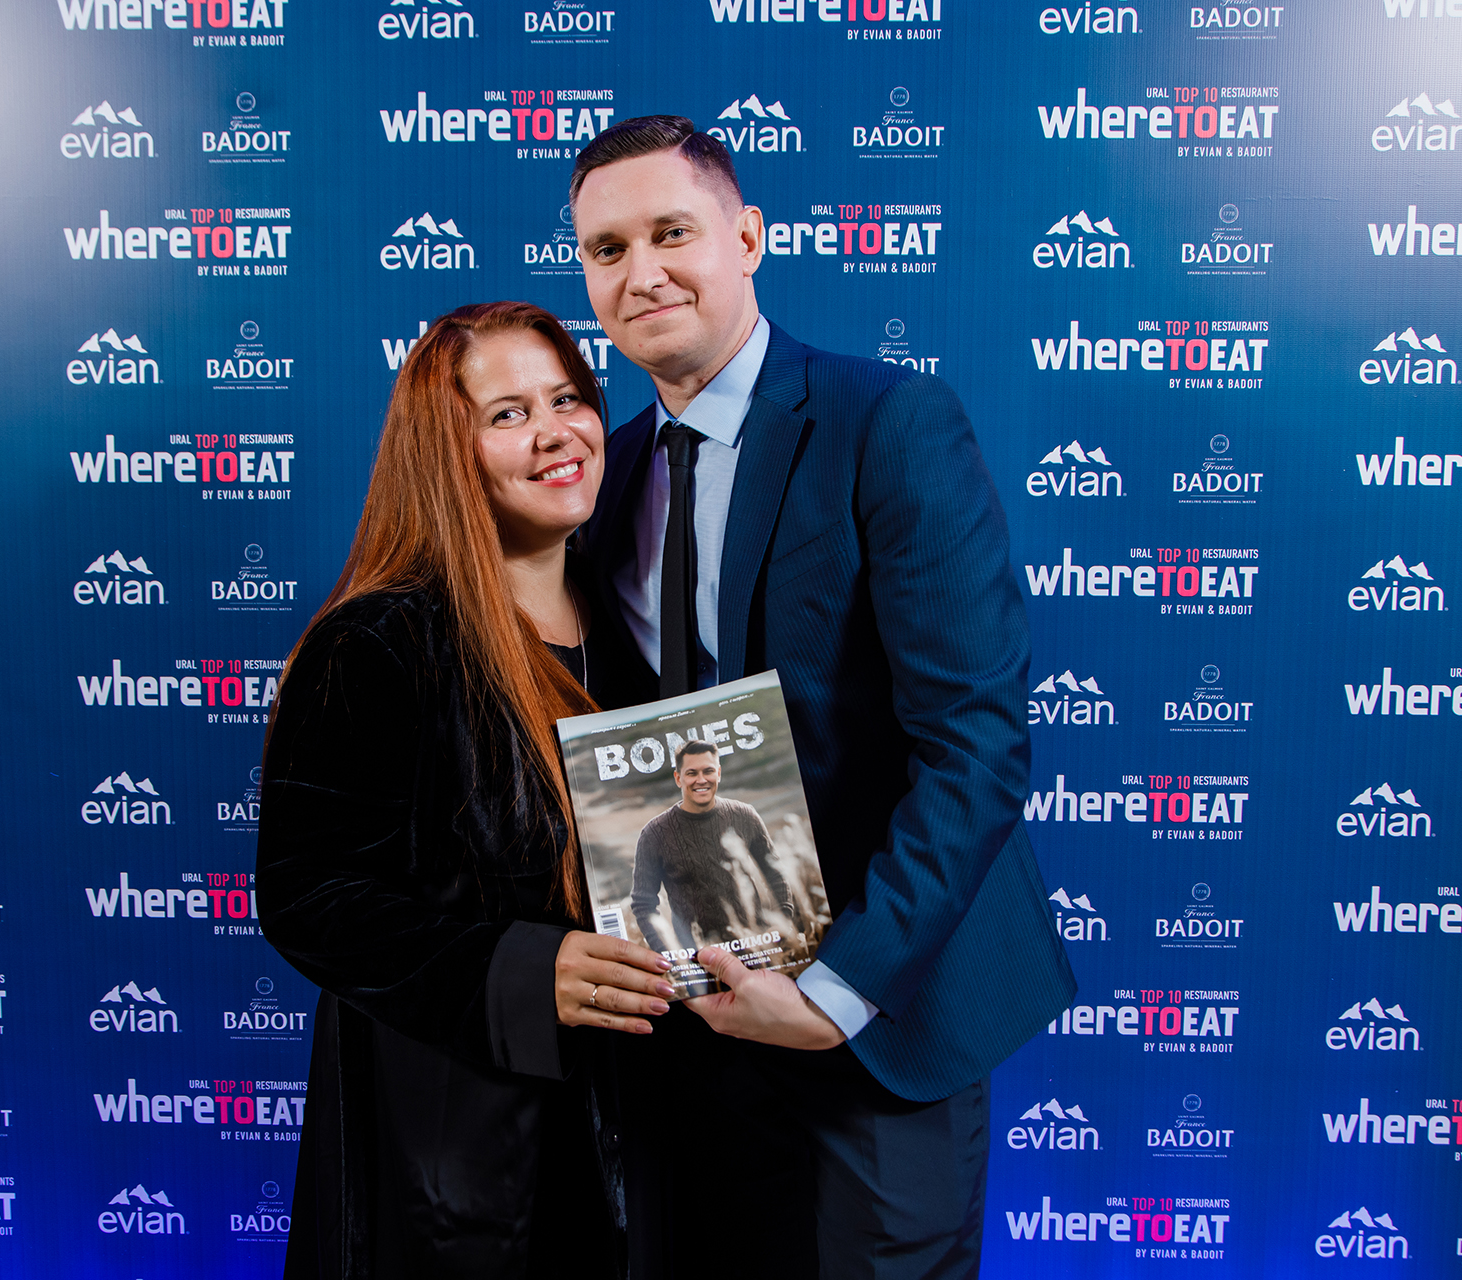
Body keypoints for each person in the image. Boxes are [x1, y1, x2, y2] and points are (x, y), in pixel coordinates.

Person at [570, 116, 1077, 1278]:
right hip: (695, 1021)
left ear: (748, 238)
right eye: (607, 249)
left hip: (880, 1004)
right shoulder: (608, 471)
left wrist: (836, 990)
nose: (642, 272)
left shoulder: (887, 420)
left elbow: (977, 743)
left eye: (671, 232)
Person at [256, 301, 674, 1279]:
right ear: (448, 454)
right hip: (463, 1164)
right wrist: (519, 970)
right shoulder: (378, 643)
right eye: (508, 414)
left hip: (638, 1139)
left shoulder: (637, 630)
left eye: (567, 399)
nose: (555, 432)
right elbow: (308, 895)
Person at [629, 739, 800, 955]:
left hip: (757, 949)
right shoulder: (654, 833)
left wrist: (782, 921)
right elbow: (643, 903)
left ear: (718, 773)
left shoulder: (745, 815)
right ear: (678, 778)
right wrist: (670, 953)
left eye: (708, 771)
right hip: (698, 959)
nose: (701, 780)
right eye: (692, 773)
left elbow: (774, 871)